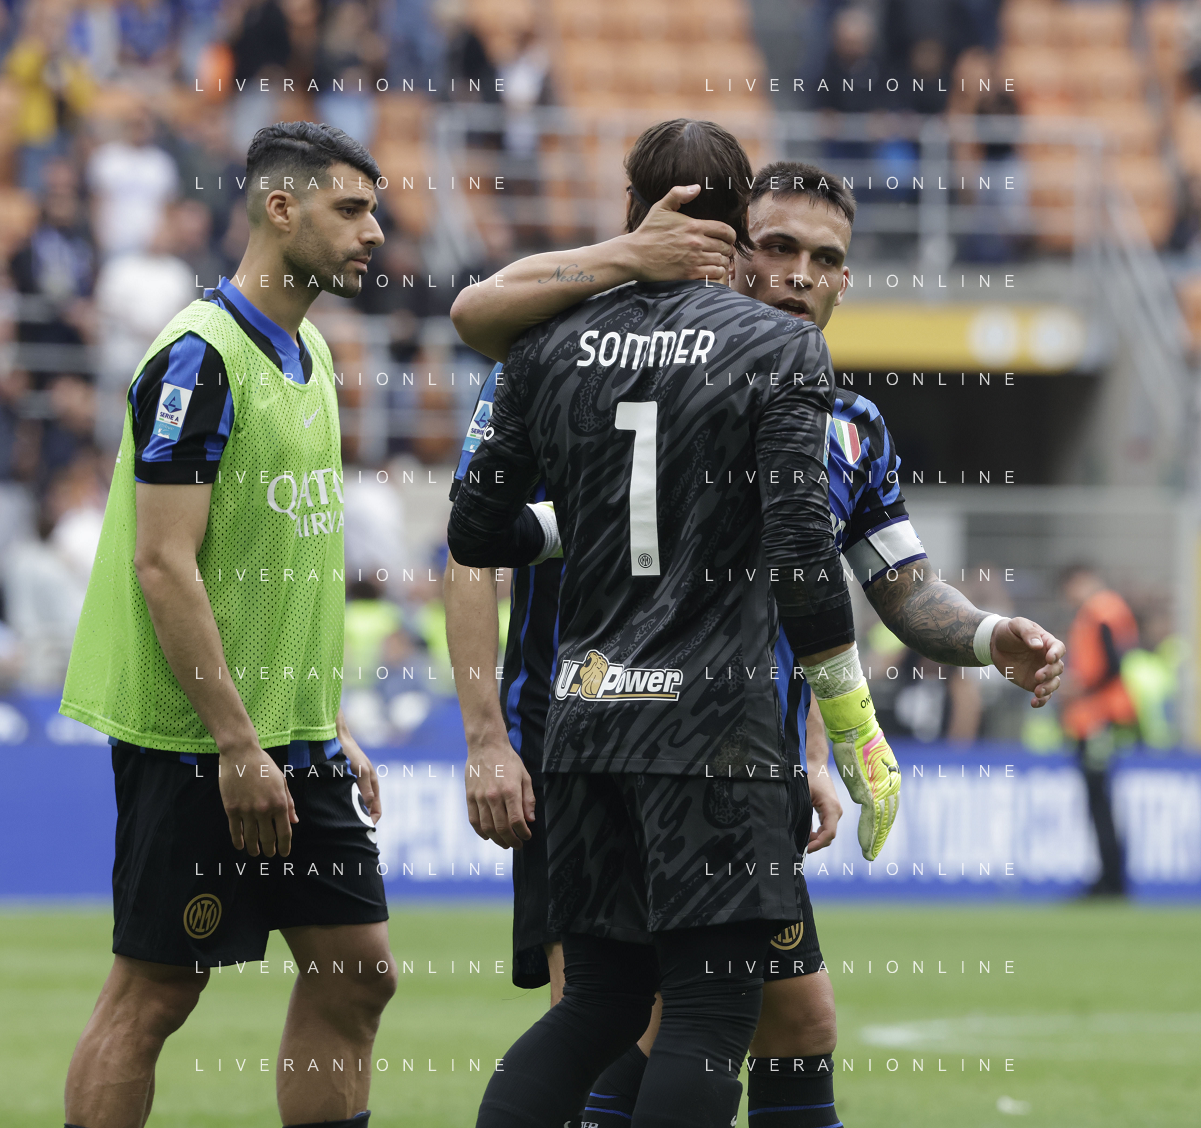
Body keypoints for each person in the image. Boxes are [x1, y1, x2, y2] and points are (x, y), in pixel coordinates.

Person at [446, 157, 1065, 1127]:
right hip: (593, 741)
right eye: (776, 246)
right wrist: (487, 738)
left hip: (733, 753)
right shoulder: (613, 364)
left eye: (824, 258)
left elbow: (885, 585)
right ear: (725, 250)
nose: (798, 274)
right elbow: (473, 538)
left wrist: (987, 637)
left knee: (785, 1019)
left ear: (845, 278)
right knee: (638, 1015)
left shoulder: (845, 423)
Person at [447, 118, 887, 1128]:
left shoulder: (549, 341)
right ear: (739, 222)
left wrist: (587, 518)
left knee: (596, 1006)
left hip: (584, 720)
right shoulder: (775, 347)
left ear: (632, 202)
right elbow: (799, 557)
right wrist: (850, 723)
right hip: (712, 734)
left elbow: (476, 529)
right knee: (707, 1011)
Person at [58, 122, 394, 1128]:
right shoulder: (196, 359)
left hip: (296, 738)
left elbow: (284, 565)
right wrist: (237, 745)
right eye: (350, 209)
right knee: (156, 993)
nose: (373, 232)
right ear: (280, 209)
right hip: (196, 741)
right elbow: (162, 564)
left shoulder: (314, 349)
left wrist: (326, 722)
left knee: (357, 974)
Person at [1059, 564, 1138, 897]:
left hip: (1099, 719)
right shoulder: (1100, 611)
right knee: (1098, 799)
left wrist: (1079, 688)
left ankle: (1111, 880)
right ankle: (1109, 876)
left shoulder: (1101, 610)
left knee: (1100, 799)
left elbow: (1111, 666)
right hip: (1094, 718)